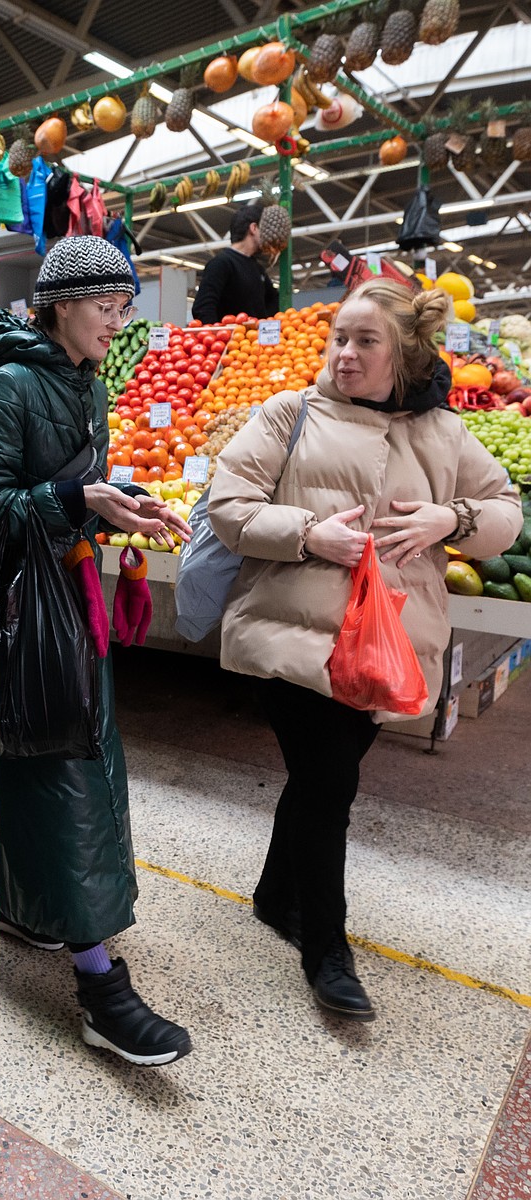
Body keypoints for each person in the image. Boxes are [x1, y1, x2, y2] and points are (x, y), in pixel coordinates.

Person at [206, 278, 521, 1021]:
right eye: (338, 339)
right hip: (290, 638)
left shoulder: (444, 434)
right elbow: (227, 506)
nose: (344, 354)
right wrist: (308, 534)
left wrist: (452, 517)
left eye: (364, 341)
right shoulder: (291, 413)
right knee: (330, 787)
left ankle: (274, 896)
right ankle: (326, 949)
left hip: (385, 653)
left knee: (323, 780)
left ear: (403, 353)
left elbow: (506, 512)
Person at [0, 235, 194, 1066]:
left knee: (55, 759)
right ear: (62, 305)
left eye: (125, 307)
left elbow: (67, 489)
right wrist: (73, 497)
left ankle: (31, 909)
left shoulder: (85, 383)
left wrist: (116, 505)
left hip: (66, 593)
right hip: (22, 606)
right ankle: (98, 989)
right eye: (107, 307)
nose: (118, 321)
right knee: (63, 772)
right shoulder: (13, 386)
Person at [191, 202, 279, 324]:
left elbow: (274, 300)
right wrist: (216, 337)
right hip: (231, 341)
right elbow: (203, 307)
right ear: (254, 228)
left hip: (255, 341)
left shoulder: (258, 269)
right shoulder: (221, 263)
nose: (271, 235)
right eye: (266, 229)